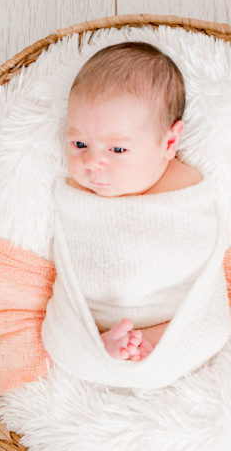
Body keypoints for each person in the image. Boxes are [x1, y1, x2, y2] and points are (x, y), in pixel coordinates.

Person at [57, 41, 218, 363]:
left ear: (169, 142)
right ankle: (98, 345)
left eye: (116, 150)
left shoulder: (186, 190)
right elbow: (63, 253)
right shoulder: (74, 192)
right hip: (96, 312)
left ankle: (155, 339)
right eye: (79, 143)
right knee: (60, 335)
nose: (93, 162)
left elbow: (202, 250)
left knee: (212, 330)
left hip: (170, 312)